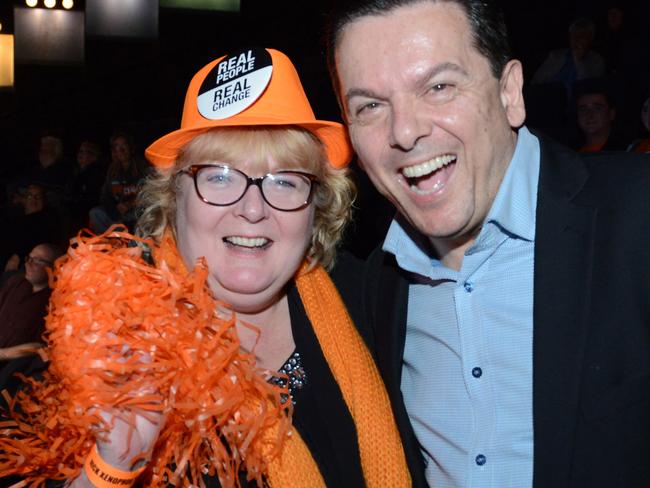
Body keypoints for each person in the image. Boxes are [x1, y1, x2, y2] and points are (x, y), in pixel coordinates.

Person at [1, 48, 411, 488]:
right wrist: (110, 466)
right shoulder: (113, 343)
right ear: (174, 197)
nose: (253, 208)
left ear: (316, 207)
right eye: (219, 176)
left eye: (286, 180)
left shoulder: (372, 300)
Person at [327, 1, 650, 487]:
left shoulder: (638, 214)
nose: (406, 131)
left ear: (510, 92)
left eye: (438, 87)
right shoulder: (375, 290)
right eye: (370, 106)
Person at [0, 243, 63, 349]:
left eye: (38, 261)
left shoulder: (54, 302)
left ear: (54, 267)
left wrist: (2, 354)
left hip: (12, 362)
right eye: (29, 258)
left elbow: (40, 347)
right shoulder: (15, 282)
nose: (28, 264)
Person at [89, 131, 147, 234]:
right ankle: (112, 241)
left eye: (124, 145)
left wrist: (130, 204)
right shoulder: (113, 169)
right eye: (116, 146)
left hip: (137, 213)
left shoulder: (141, 166)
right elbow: (105, 196)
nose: (120, 150)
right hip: (118, 216)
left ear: (131, 147)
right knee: (95, 213)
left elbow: (151, 194)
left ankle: (129, 238)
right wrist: (115, 213)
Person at [574, 83, 626, 152]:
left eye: (597, 108)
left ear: (611, 114)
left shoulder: (629, 150)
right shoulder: (567, 154)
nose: (589, 114)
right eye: (583, 109)